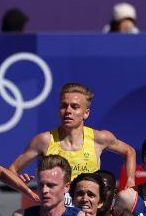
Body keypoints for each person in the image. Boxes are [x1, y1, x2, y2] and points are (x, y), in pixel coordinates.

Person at [8, 82, 137, 192]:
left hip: (87, 209)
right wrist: (21, 184)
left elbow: (129, 151)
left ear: (86, 113)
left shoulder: (99, 138)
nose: (68, 111)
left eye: (74, 107)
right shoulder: (44, 140)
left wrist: (130, 181)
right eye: (64, 106)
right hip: (56, 212)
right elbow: (11, 170)